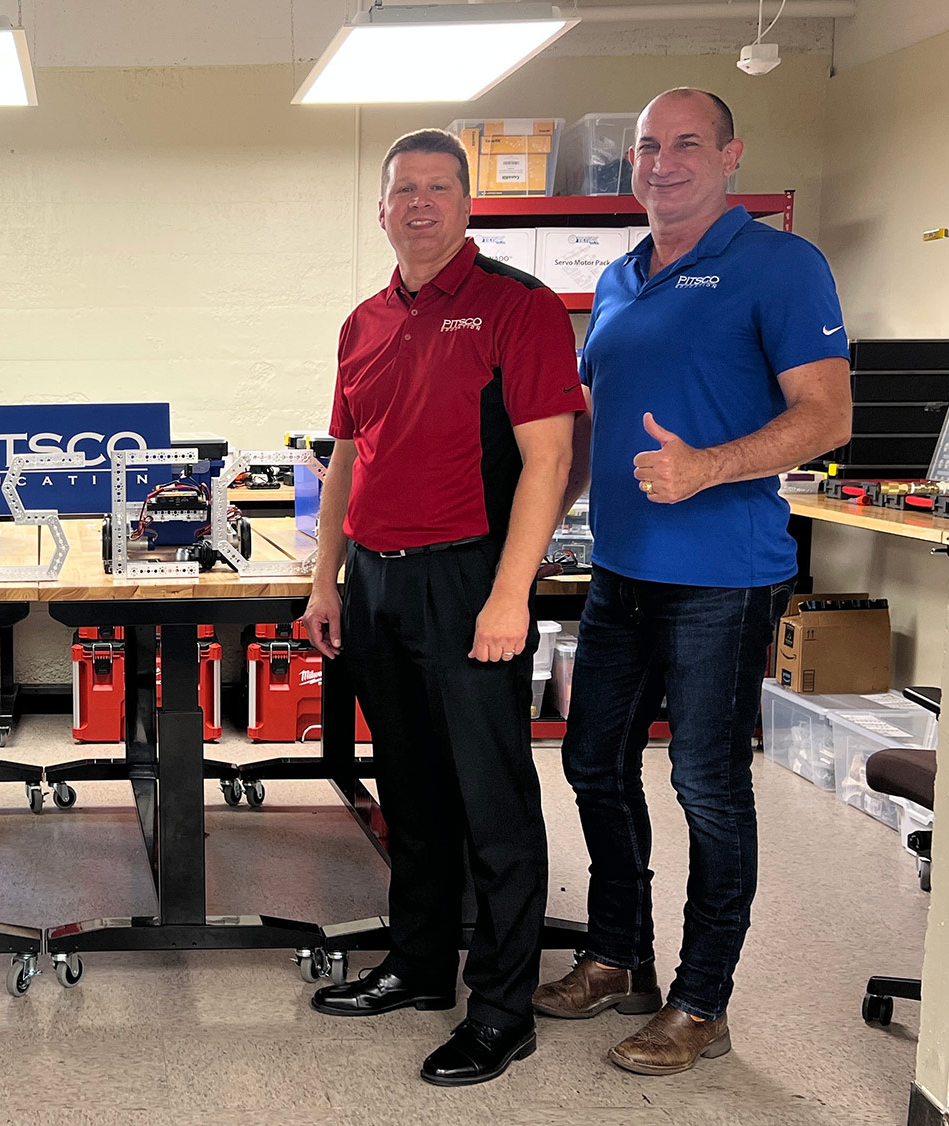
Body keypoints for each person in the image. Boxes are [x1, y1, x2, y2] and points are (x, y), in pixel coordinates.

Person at [532, 89, 852, 1075]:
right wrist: (528, 537)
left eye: (683, 144)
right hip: (617, 572)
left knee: (705, 784)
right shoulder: (622, 276)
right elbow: (589, 427)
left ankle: (700, 1001)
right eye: (644, 147)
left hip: (719, 577)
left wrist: (706, 465)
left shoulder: (780, 265)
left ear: (726, 156)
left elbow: (827, 415)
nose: (660, 162)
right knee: (590, 764)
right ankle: (615, 955)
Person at [301, 128, 583, 1087]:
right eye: (401, 191)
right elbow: (346, 457)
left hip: (471, 583)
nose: (418, 204)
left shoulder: (519, 308)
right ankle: (421, 967)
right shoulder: (364, 321)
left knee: (492, 804)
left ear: (467, 203)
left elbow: (549, 458)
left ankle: (503, 1008)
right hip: (377, 583)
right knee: (411, 792)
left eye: (437, 188)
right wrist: (325, 577)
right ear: (381, 211)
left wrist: (512, 594)